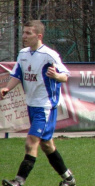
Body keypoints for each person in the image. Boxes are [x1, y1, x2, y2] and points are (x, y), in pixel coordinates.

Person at [1, 20, 76, 186]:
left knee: (31, 142)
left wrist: (56, 76)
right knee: (47, 145)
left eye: (29, 33)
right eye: (24, 32)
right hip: (32, 105)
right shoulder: (23, 54)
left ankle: (19, 181)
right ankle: (68, 179)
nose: (24, 36)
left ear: (39, 36)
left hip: (45, 106)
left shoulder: (49, 55)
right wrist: (7, 89)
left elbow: (65, 75)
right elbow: (17, 75)